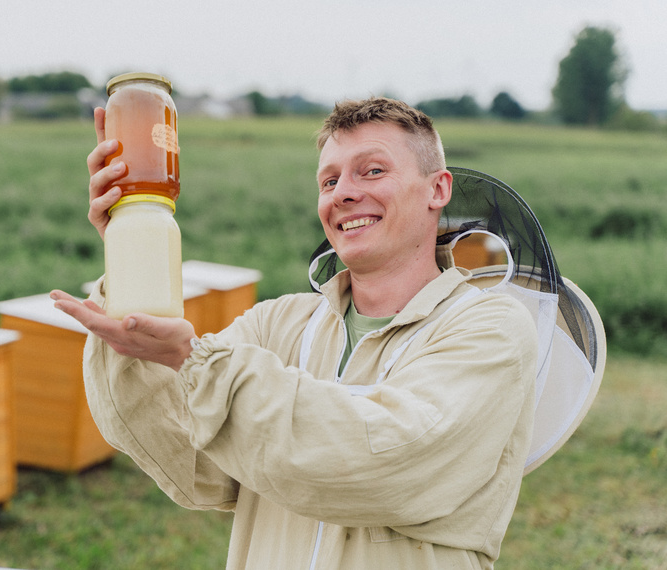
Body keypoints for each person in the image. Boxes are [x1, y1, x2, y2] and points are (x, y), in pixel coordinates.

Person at [51, 97, 538, 569]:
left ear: (438, 189)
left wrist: (196, 363)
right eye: (329, 180)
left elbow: (385, 462)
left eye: (372, 171)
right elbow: (193, 461)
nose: (343, 192)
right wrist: (131, 233)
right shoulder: (279, 324)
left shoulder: (490, 328)